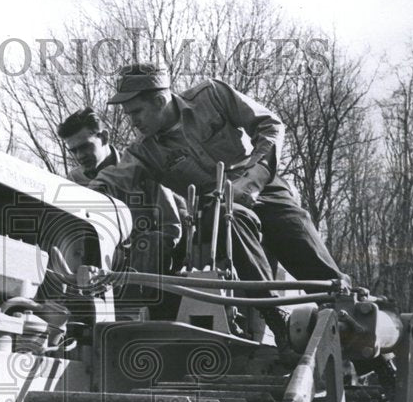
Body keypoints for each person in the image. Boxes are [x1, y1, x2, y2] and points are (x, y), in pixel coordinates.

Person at [86, 64, 347, 340]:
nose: (133, 122)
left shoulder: (212, 95)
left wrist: (253, 179)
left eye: (136, 112)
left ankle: (362, 335)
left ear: (160, 100)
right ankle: (276, 319)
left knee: (315, 260)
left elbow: (270, 125)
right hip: (217, 212)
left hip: (265, 187)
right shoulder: (144, 151)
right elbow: (111, 180)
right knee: (224, 216)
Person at [57, 106, 183, 276]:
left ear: (104, 137)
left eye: (85, 146)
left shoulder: (141, 167)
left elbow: (171, 227)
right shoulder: (73, 183)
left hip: (141, 269)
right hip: (91, 267)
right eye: (74, 151)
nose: (80, 156)